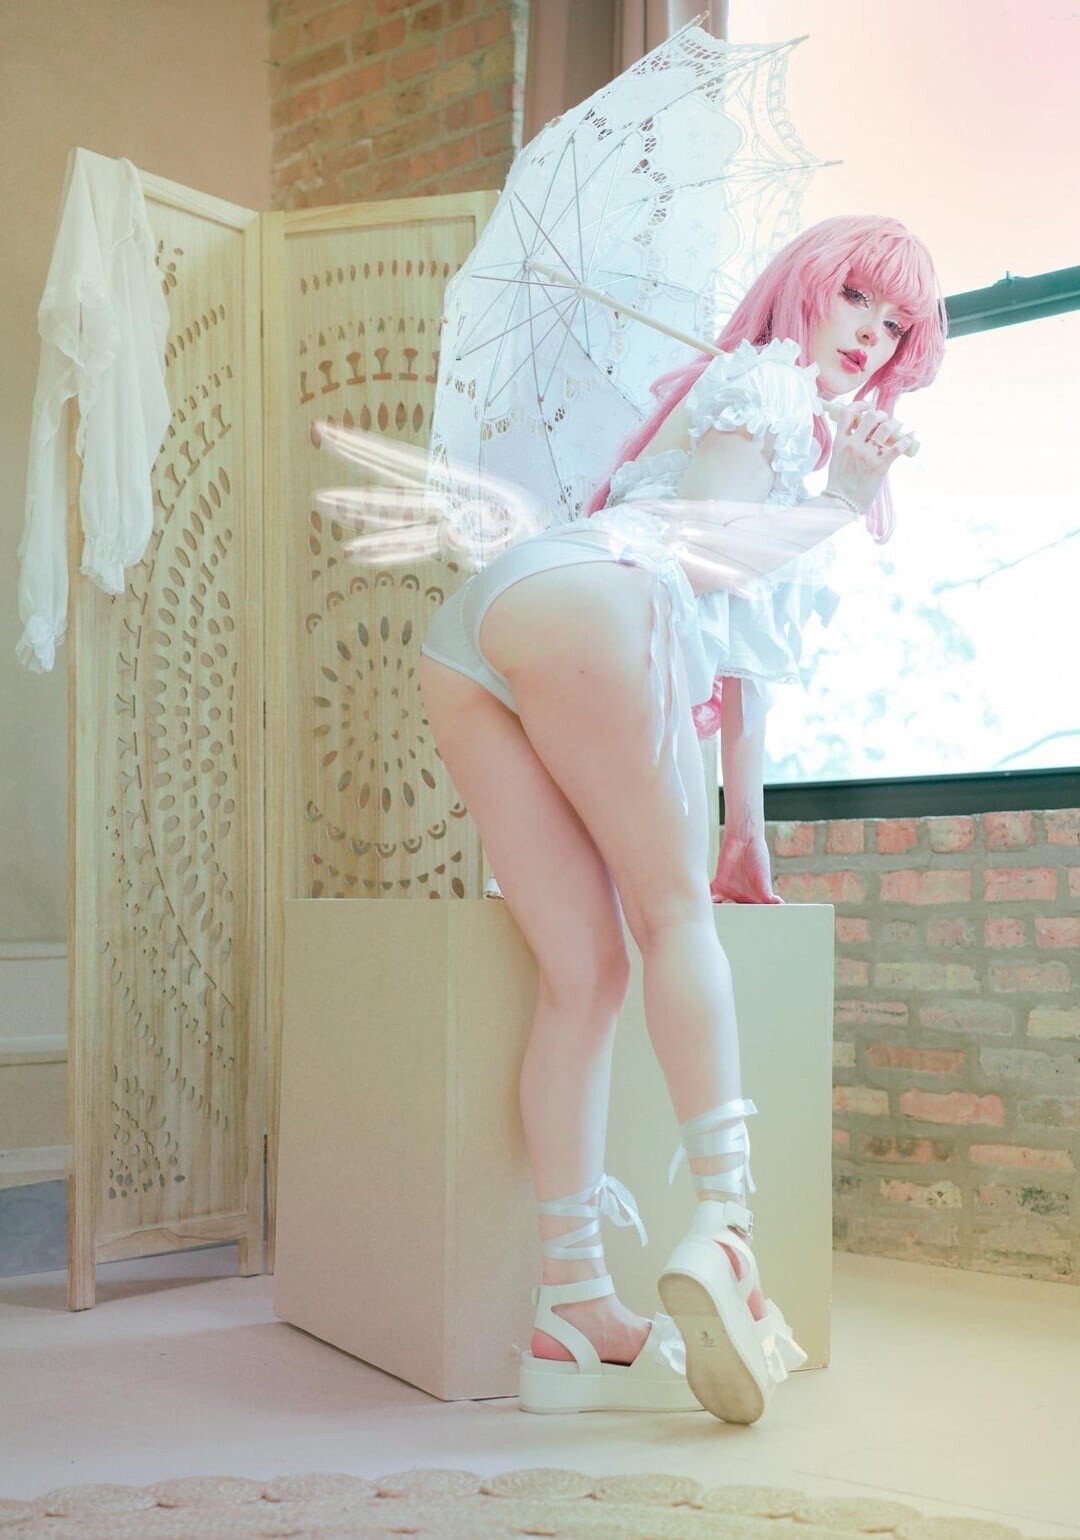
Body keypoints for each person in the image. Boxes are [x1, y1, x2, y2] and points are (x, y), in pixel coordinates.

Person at [418, 214, 947, 1422]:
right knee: (672, 925)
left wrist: (742, 828)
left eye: (895, 323)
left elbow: (737, 654)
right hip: (602, 591)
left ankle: (571, 1311)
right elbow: (698, 558)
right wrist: (841, 500)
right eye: (856, 297)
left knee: (585, 976)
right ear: (803, 288)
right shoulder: (767, 382)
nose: (870, 334)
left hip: (479, 633)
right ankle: (729, 1228)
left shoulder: (761, 404)